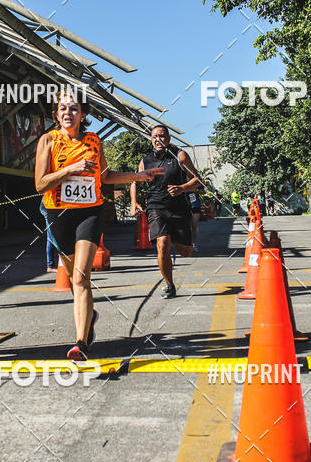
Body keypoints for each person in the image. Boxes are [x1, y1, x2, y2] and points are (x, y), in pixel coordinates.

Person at [35, 91, 162, 360]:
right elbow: (40, 184)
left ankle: (81, 343)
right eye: (62, 109)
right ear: (56, 114)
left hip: (89, 213)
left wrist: (138, 176)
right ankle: (89, 315)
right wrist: (69, 170)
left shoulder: (94, 140)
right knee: (73, 280)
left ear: (83, 114)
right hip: (58, 214)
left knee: (81, 278)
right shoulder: (48, 140)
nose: (68, 113)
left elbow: (105, 177)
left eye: (73, 108)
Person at [130, 125, 200, 299]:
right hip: (156, 207)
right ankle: (169, 284)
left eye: (162, 136)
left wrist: (182, 188)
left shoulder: (179, 155)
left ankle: (176, 239)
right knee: (162, 244)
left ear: (168, 138)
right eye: (155, 136)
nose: (158, 139)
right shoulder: (145, 161)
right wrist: (134, 203)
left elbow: (197, 180)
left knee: (186, 251)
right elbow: (135, 182)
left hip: (179, 209)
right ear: (151, 140)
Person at [189, 187, 202, 253]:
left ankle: (194, 244)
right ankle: (186, 243)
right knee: (186, 225)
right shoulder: (180, 178)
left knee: (194, 225)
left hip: (195, 204)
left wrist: (196, 190)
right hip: (184, 204)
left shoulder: (196, 179)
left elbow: (203, 191)